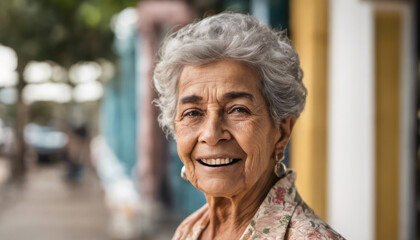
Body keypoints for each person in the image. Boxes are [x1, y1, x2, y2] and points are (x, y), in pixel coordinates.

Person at [153, 12, 345, 240]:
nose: (212, 135)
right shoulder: (190, 229)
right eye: (193, 113)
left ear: (282, 131)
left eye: (238, 110)